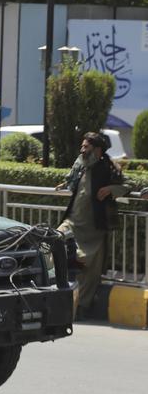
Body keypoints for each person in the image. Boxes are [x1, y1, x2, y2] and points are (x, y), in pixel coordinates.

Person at [55, 132, 128, 318]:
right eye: (82, 146)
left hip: (94, 228)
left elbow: (128, 185)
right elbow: (72, 181)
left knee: (89, 272)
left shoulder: (108, 168)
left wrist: (111, 189)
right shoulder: (80, 164)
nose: (82, 150)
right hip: (72, 223)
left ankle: (80, 308)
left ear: (97, 150)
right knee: (54, 243)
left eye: (86, 147)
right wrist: (65, 184)